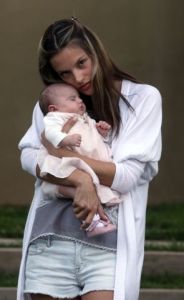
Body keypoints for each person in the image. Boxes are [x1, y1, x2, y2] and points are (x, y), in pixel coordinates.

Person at [17, 17, 162, 300]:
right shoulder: (53, 106)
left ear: (96, 51)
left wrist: (61, 157)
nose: (78, 79)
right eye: (65, 73)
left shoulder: (143, 99)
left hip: (107, 244)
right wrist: (80, 179)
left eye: (81, 64)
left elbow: (127, 176)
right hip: (51, 237)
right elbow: (28, 156)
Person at [38, 82, 120, 236]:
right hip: (64, 163)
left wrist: (100, 130)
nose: (80, 101)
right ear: (53, 108)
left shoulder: (83, 117)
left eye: (79, 98)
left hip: (80, 161)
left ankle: (98, 220)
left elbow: (92, 135)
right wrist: (64, 139)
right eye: (72, 99)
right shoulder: (55, 117)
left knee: (90, 192)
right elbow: (49, 133)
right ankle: (93, 223)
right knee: (81, 193)